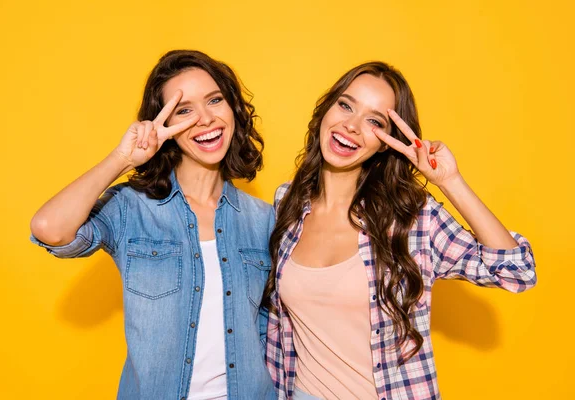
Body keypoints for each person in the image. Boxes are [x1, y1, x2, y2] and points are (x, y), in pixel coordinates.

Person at [263, 61, 536, 400]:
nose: (351, 126)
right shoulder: (285, 204)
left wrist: (450, 181)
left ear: (386, 143)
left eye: (374, 121)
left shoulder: (410, 219)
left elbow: (517, 271)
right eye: (346, 105)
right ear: (325, 110)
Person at [30, 50, 276, 400]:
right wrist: (123, 159)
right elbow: (49, 229)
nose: (205, 119)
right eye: (184, 110)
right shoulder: (131, 208)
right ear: (164, 126)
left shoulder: (264, 219)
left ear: (232, 108)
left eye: (214, 100)